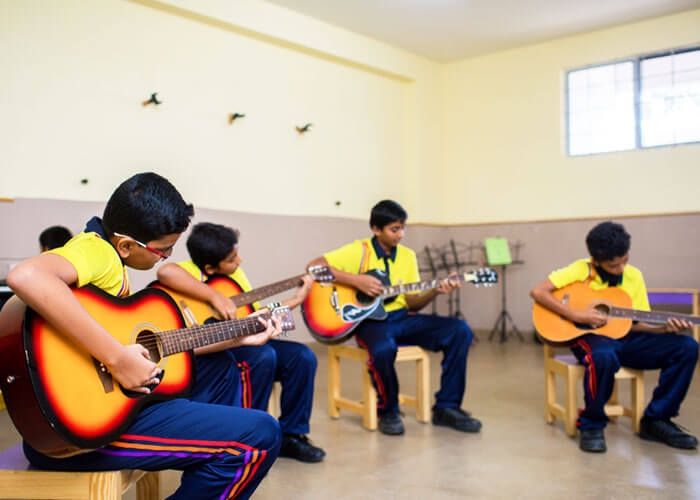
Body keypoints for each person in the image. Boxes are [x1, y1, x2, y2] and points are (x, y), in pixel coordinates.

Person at [2, 173, 282, 499]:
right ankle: (221, 455)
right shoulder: (98, 253)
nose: (165, 258)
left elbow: (165, 345)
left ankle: (209, 457)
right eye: (163, 250)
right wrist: (117, 358)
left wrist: (238, 336)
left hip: (92, 413)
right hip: (80, 434)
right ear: (125, 245)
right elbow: (26, 275)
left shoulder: (108, 261)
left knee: (220, 368)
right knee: (258, 438)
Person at [308, 200, 481, 436]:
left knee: (459, 329)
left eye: (402, 228)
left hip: (402, 318)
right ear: (376, 229)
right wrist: (356, 281)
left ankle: (447, 407)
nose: (401, 234)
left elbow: (413, 303)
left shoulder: (408, 256)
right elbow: (314, 267)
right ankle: (388, 410)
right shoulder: (359, 251)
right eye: (394, 229)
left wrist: (435, 290)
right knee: (383, 349)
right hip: (371, 323)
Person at [157, 222, 326, 463]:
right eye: (231, 259)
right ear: (209, 266)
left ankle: (292, 435)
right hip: (214, 348)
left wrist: (295, 300)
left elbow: (257, 315)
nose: (239, 261)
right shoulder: (191, 271)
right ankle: (247, 439)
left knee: (302, 356)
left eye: (236, 254)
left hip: (245, 337)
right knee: (262, 356)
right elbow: (165, 272)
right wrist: (214, 296)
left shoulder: (235, 276)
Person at [530, 221, 698, 453]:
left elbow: (635, 324)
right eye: (613, 265)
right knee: (604, 355)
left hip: (625, 338)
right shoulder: (580, 269)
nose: (621, 268)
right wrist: (576, 314)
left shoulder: (634, 276)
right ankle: (591, 424)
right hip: (590, 338)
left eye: (625, 261)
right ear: (596, 261)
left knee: (686, 346)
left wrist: (663, 330)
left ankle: (656, 420)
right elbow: (538, 292)